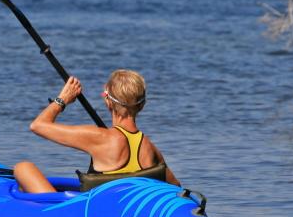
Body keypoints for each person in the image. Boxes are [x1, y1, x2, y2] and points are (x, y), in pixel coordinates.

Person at [13, 69, 180, 193]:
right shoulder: (150, 148)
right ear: (142, 105)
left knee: (23, 167)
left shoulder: (100, 137)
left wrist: (62, 99)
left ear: (108, 102)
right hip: (127, 216)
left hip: (94, 216)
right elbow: (176, 188)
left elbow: (38, 125)